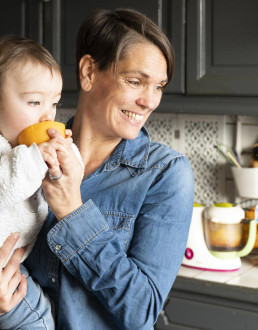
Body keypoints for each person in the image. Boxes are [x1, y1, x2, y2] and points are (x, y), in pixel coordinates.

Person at [0, 8, 194, 330]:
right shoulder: (26, 153)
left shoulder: (165, 174)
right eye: (135, 81)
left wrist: (73, 212)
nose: (150, 101)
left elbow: (142, 312)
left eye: (158, 86)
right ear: (89, 71)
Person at [0, 35, 83, 329]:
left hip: (13, 264)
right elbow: (5, 187)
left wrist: (67, 158)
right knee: (40, 320)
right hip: (8, 267)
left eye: (54, 104)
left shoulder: (21, 148)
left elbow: (65, 179)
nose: (47, 115)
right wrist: (37, 157)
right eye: (34, 102)